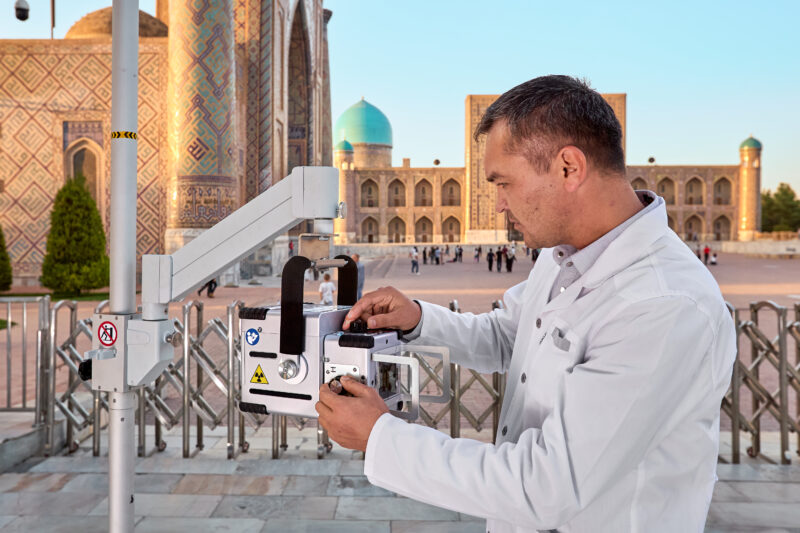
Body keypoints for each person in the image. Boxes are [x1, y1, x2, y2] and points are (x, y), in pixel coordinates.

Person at [315, 75, 736, 532]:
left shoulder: (663, 304)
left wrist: (382, 436)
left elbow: (546, 486)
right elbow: (511, 335)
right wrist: (418, 320)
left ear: (568, 168)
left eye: (504, 183)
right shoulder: (564, 255)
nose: (496, 205)